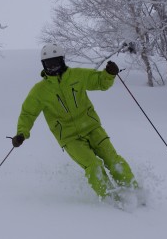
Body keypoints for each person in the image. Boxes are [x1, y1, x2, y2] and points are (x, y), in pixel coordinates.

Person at [12, 43, 141, 206]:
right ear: (43, 66)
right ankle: (110, 199)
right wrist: (21, 133)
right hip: (69, 138)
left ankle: (135, 191)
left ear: (62, 61)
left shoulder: (77, 76)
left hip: (93, 128)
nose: (53, 67)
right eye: (48, 64)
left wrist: (109, 74)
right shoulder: (40, 91)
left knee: (112, 159)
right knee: (93, 165)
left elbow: (100, 82)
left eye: (56, 62)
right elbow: (28, 113)